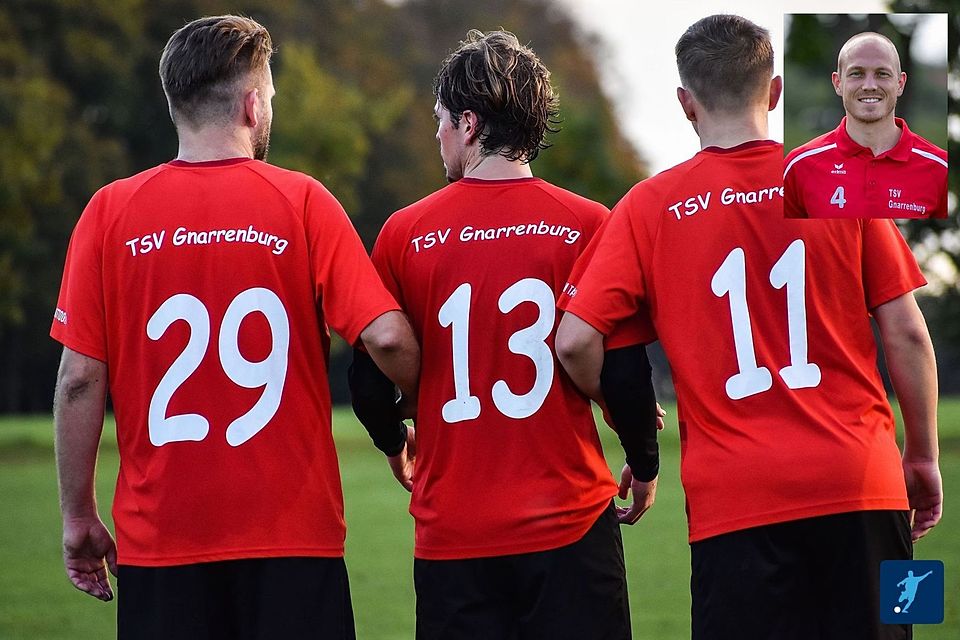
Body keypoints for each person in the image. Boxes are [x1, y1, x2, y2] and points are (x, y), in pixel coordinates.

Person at [556, 14, 942, 640]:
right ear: (776, 92)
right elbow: (907, 333)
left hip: (733, 505)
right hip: (866, 485)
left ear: (685, 103)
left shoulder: (647, 207)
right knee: (904, 626)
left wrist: (622, 413)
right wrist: (921, 455)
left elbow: (574, 341)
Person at [50, 15, 419, 639]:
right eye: (269, 95)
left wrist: (78, 514)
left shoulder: (109, 211)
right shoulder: (303, 201)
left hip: (161, 542)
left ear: (176, 105)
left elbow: (79, 380)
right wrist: (418, 411)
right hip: (292, 538)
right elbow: (385, 337)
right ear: (253, 105)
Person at [350, 29, 655, 640]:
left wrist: (392, 439)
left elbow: (367, 376)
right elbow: (623, 369)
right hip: (570, 522)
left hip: (454, 531)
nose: (438, 134)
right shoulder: (589, 223)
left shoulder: (404, 232)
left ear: (468, 124)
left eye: (440, 119)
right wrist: (643, 461)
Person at [784, 31, 947, 219]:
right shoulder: (799, 166)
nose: (869, 85)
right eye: (857, 74)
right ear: (838, 83)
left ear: (900, 83)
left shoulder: (941, 168)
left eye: (882, 74)